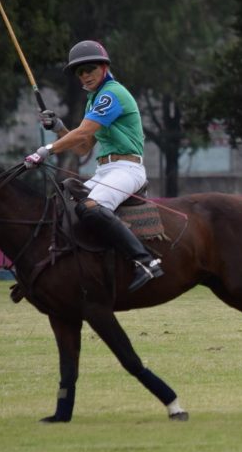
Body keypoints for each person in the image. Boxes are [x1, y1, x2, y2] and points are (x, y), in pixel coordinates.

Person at [23, 40, 164, 292]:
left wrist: (45, 150)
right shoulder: (94, 100)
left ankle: (145, 261)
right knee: (63, 209)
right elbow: (83, 147)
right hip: (104, 170)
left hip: (127, 169)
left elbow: (83, 133)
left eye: (89, 68)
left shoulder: (112, 94)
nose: (84, 75)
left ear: (104, 67)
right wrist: (58, 128)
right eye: (79, 71)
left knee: (90, 207)